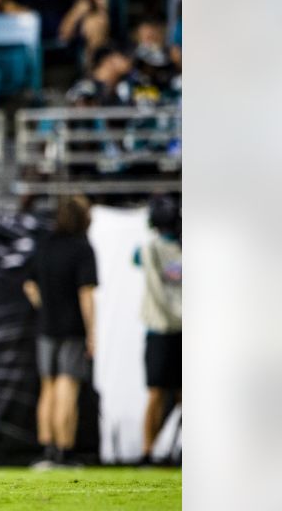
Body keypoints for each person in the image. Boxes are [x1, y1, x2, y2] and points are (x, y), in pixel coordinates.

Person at [23, 195, 99, 468]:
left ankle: (47, 450)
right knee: (68, 385)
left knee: (48, 388)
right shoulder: (82, 249)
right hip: (72, 328)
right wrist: (92, 332)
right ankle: (65, 451)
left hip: (46, 327)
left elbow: (29, 286)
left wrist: (46, 308)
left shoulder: (44, 245)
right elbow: (86, 294)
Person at [138, 194, 181, 466]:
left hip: (182, 333)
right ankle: (148, 451)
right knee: (156, 392)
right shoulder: (151, 249)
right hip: (159, 331)